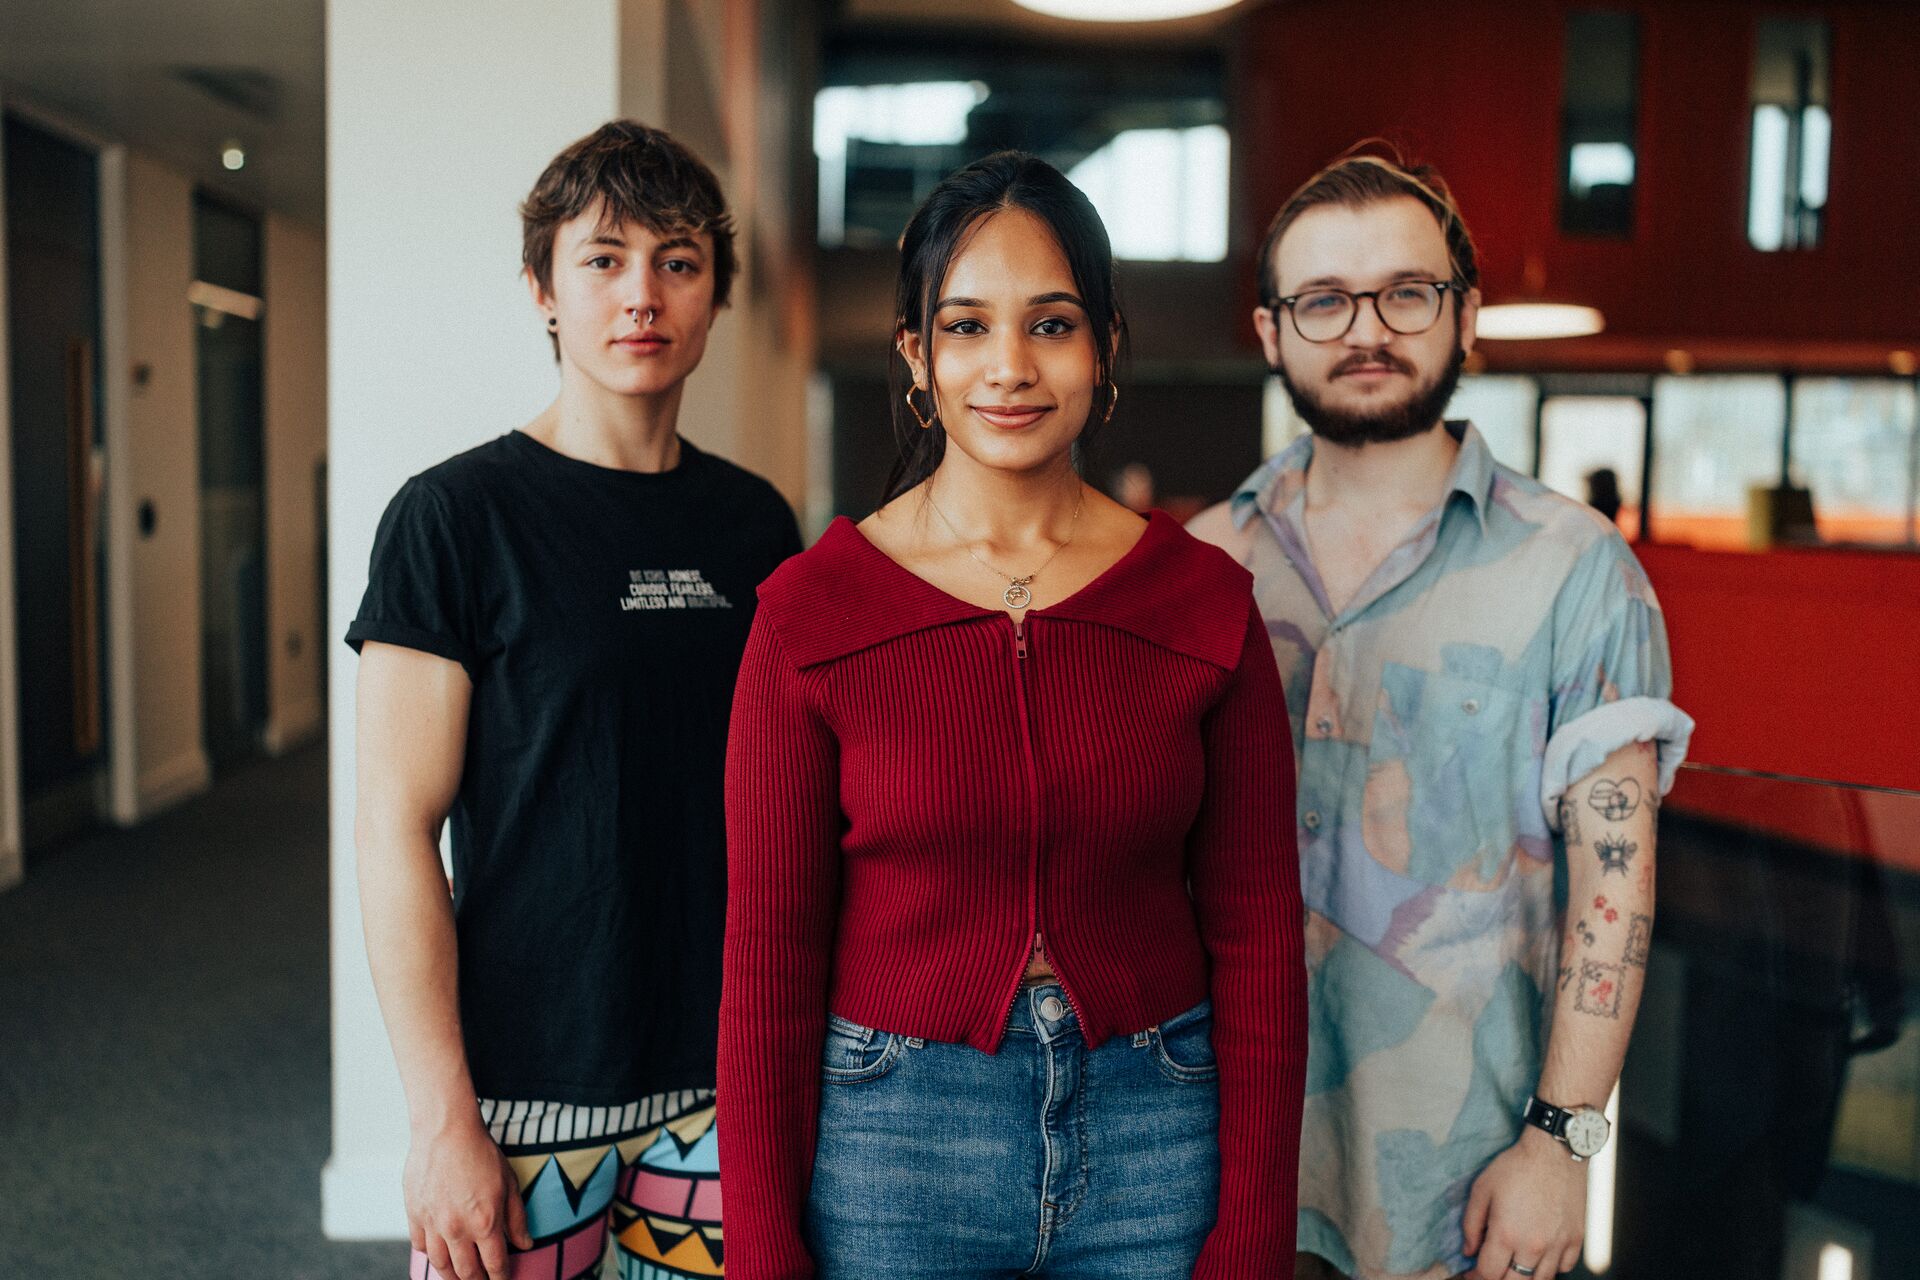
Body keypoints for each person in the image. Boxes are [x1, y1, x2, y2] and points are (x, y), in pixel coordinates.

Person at [717, 151, 1308, 1280]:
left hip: (1156, 1127)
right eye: (967, 326)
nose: (1009, 367)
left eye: (1050, 324)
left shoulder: (1203, 604)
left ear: (1105, 347)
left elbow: (1260, 936)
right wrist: (763, 1256)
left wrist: (1252, 1237)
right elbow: (768, 956)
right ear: (918, 358)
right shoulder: (810, 613)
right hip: (896, 1140)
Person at [1189, 151, 1693, 1280]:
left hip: (1457, 1195)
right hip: (1212, 1162)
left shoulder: (1578, 571)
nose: (1366, 328)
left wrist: (1564, 1138)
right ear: (1271, 331)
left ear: (1466, 317)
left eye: (1406, 292)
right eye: (1324, 299)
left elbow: (1615, 882)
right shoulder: (1199, 565)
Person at [349, 121, 800, 1280]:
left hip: (719, 1080)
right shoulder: (453, 518)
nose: (640, 293)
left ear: (714, 297)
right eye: (602, 258)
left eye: (678, 260)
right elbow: (396, 827)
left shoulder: (756, 525)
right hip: (520, 1091)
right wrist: (441, 1115)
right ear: (543, 289)